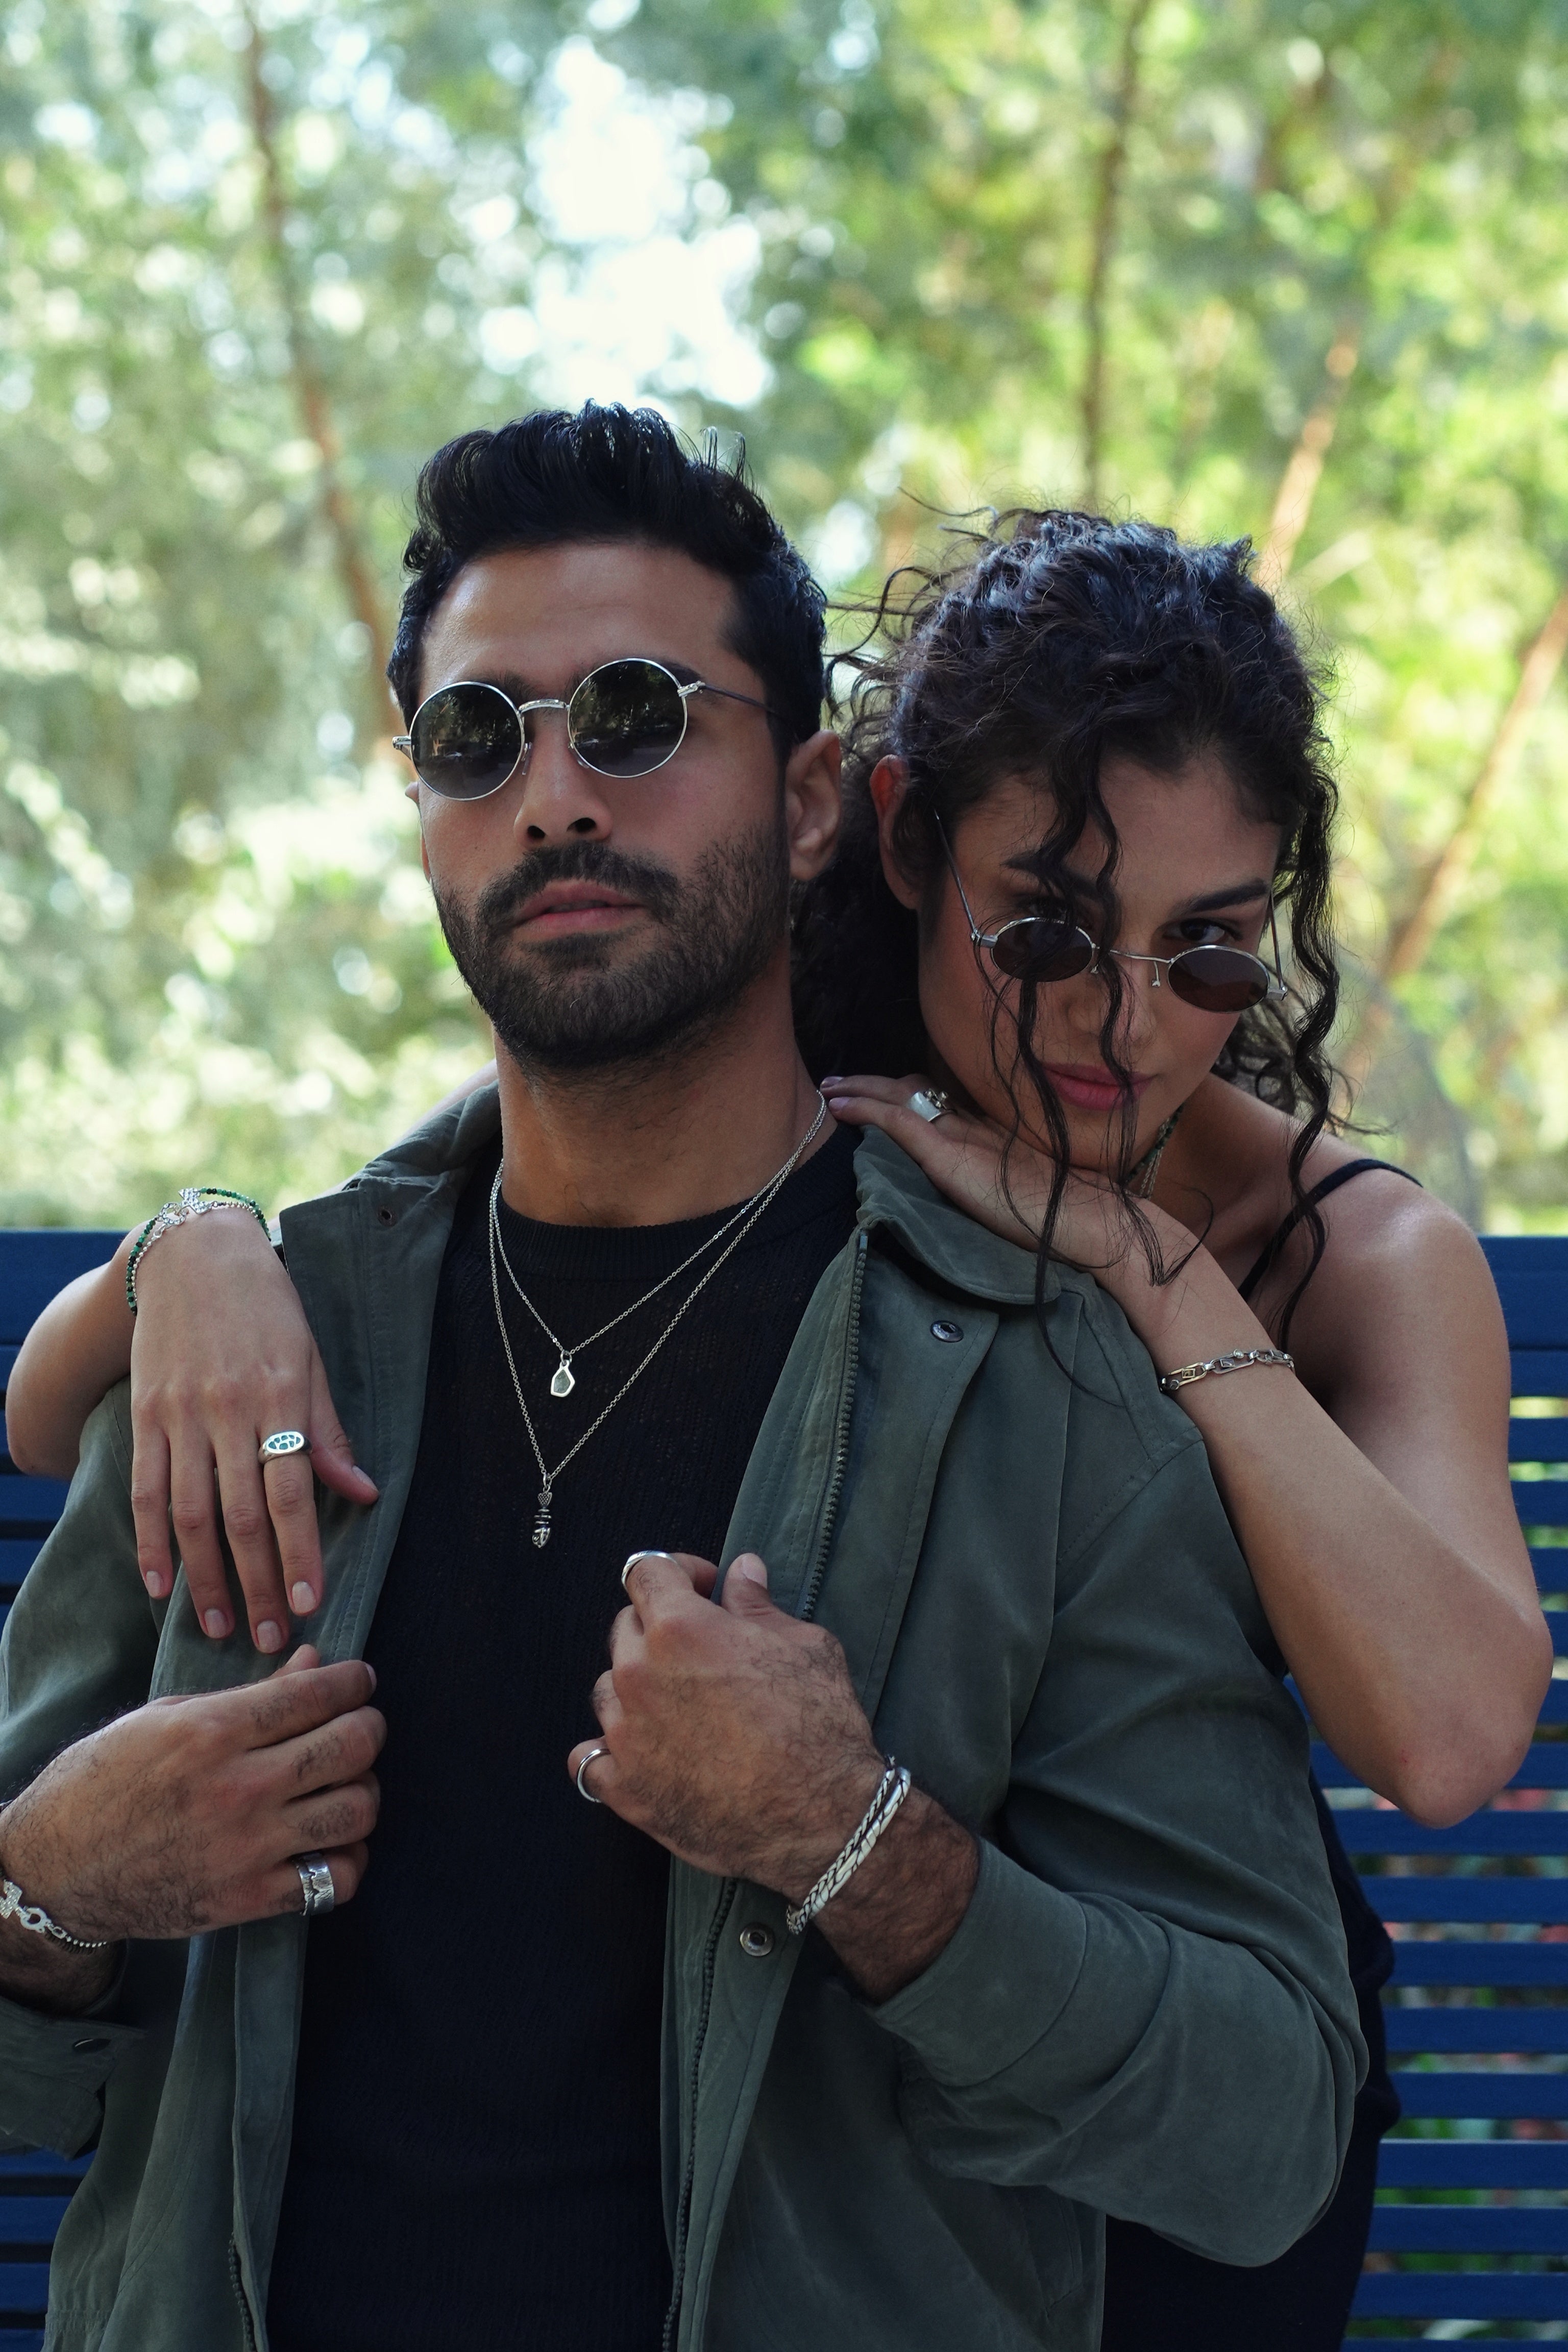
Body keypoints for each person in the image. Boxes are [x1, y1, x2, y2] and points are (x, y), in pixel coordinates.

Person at [0, 409, 1360, 2352]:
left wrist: (862, 1848)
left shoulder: (1048, 1388)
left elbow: (1264, 2129)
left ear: (814, 805)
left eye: (636, 716)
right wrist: (47, 1889)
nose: (557, 795)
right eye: (482, 739)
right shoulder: (248, 1357)